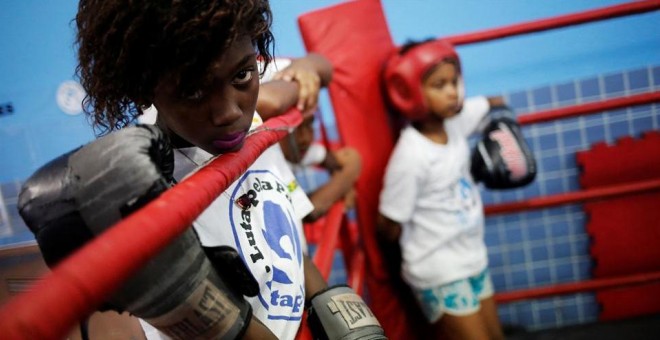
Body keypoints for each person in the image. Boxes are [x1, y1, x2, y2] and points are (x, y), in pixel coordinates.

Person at [19, 1, 385, 339]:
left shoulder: (251, 128)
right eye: (193, 91)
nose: (228, 112)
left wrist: (343, 318)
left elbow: (282, 239)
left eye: (242, 75)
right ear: (143, 87)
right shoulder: (139, 183)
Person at [378, 39, 507, 340]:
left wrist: (506, 127)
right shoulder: (411, 155)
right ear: (409, 91)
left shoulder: (454, 123)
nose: (453, 91)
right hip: (439, 271)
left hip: (473, 257)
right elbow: (387, 224)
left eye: (454, 81)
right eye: (439, 85)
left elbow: (493, 104)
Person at [257, 55, 362, 222]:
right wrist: (347, 177)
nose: (306, 138)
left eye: (310, 125)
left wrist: (305, 66)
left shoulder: (276, 75)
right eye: (296, 128)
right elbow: (308, 211)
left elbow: (323, 65)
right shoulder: (268, 159)